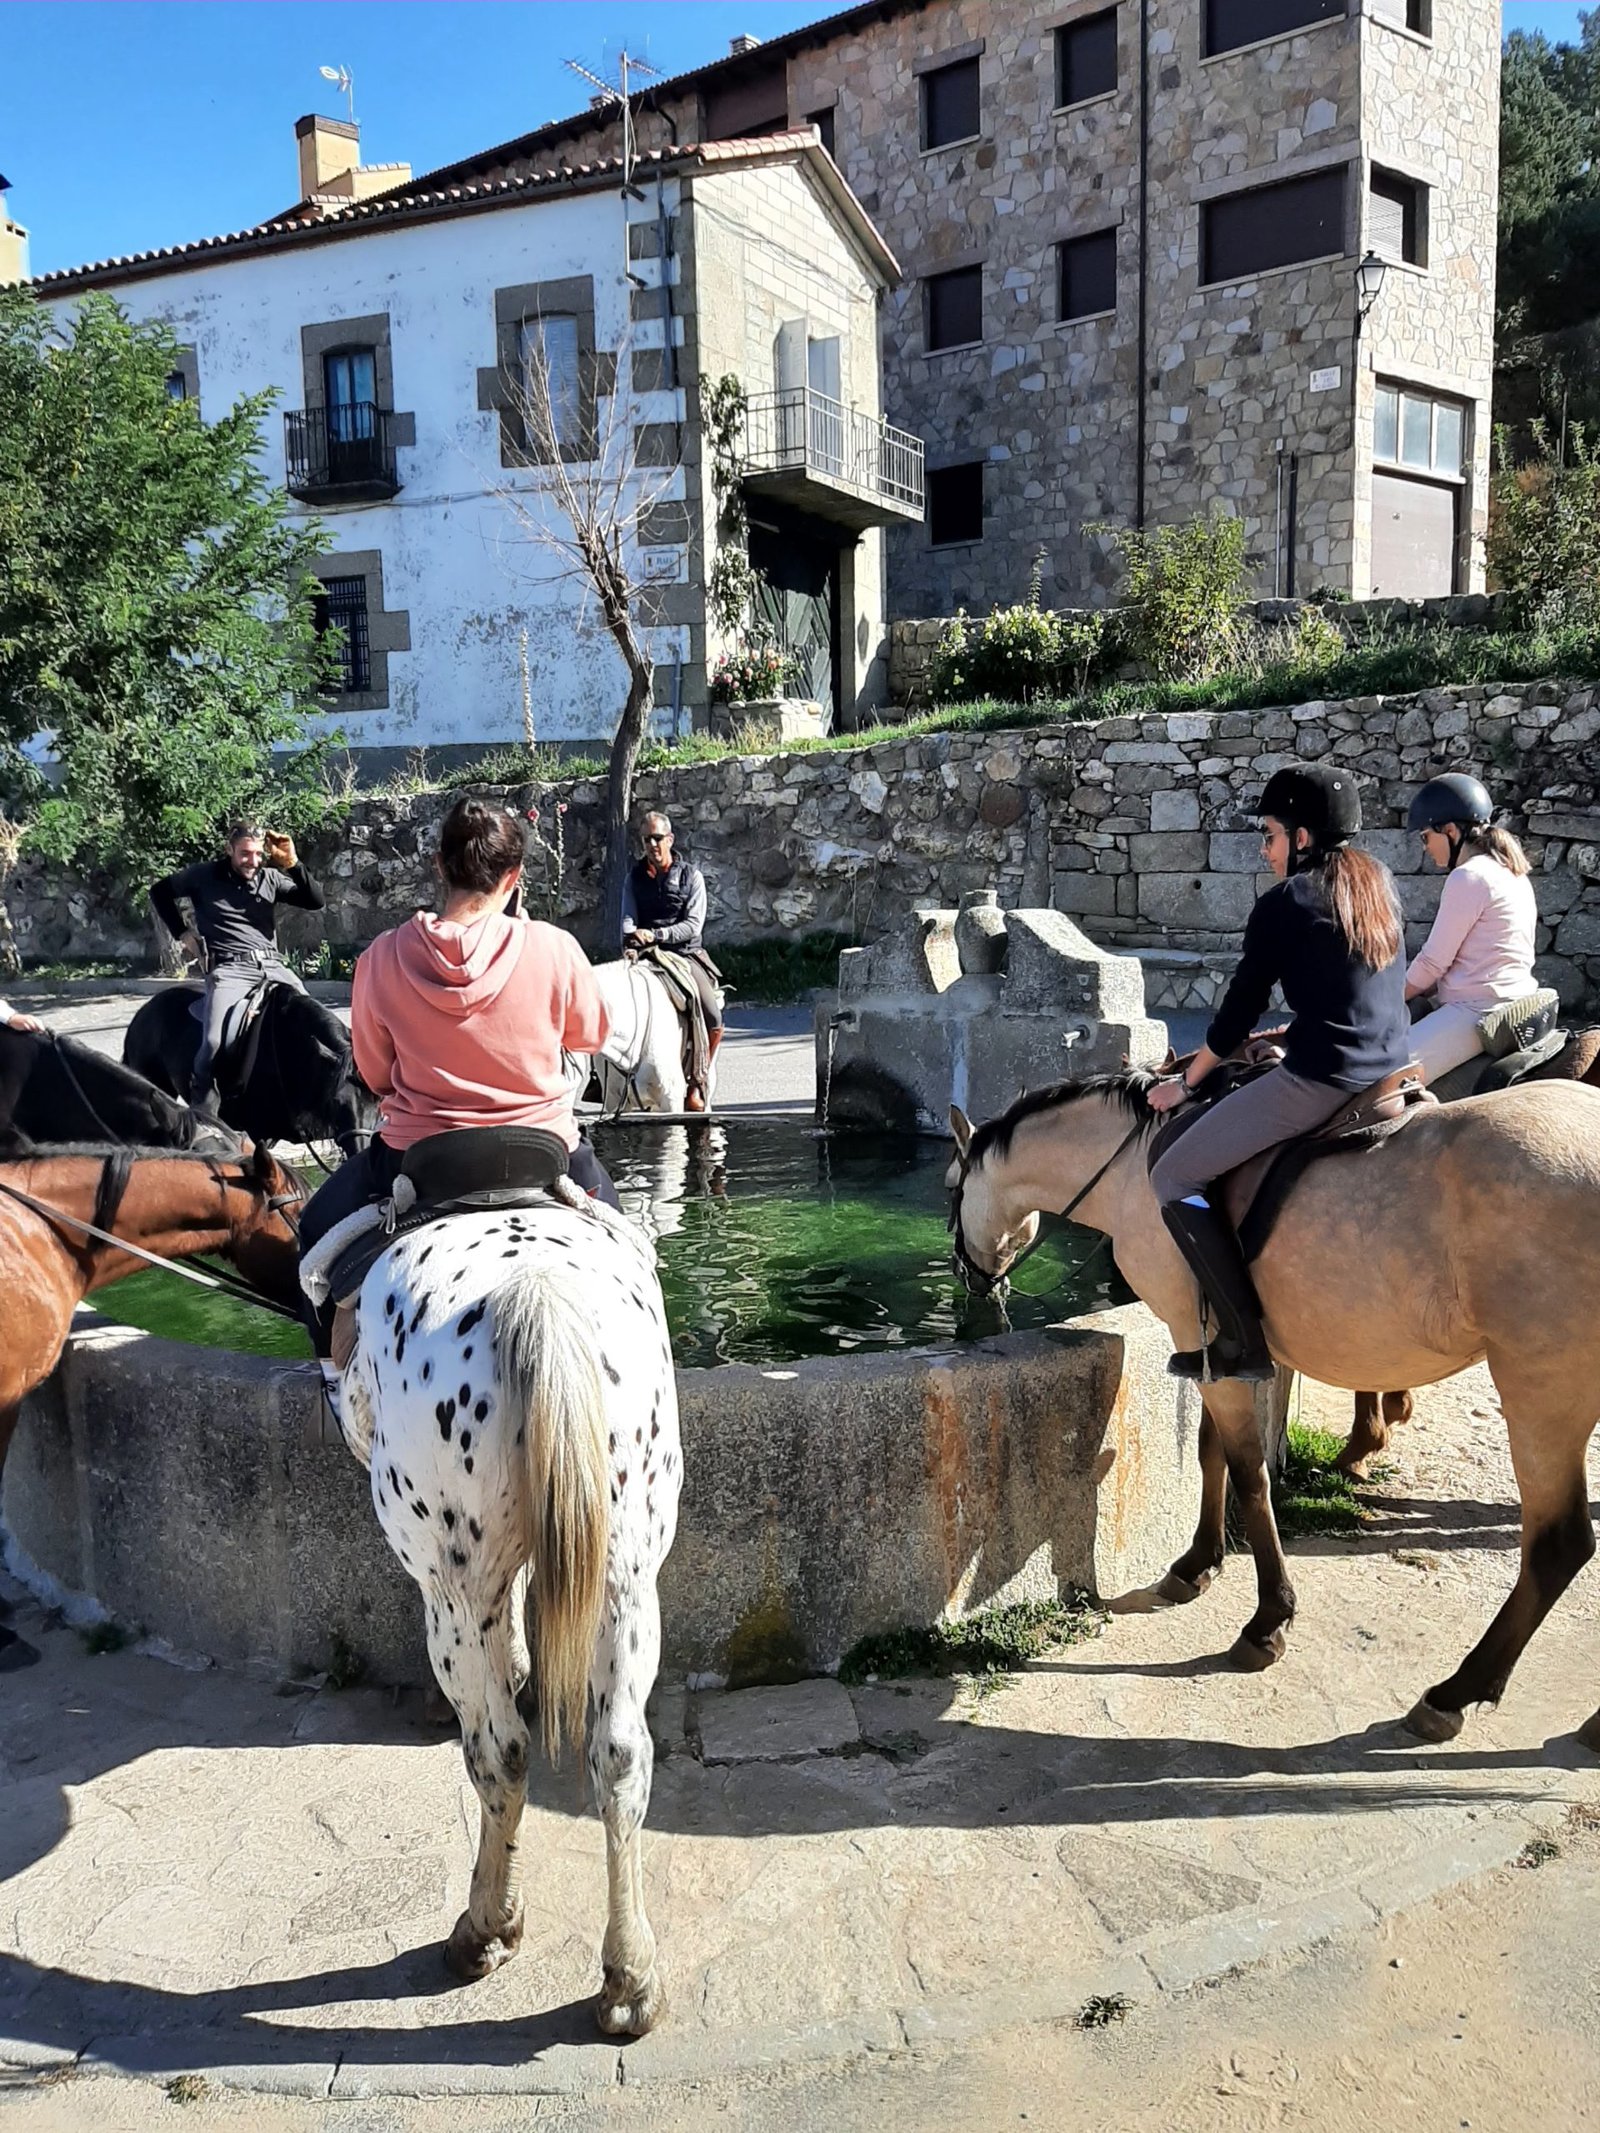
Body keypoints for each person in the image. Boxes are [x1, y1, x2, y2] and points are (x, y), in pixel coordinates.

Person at [296, 798, 619, 1365]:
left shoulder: (380, 958)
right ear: (513, 877)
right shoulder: (554, 947)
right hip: (545, 1152)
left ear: (439, 866)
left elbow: (375, 1075)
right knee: (628, 1250)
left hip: (418, 1160)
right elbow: (590, 1035)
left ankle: (329, 1375)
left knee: (313, 1235)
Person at [1146, 765, 1413, 1381]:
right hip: (1392, 1064)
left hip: (1325, 1079)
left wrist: (1185, 1083)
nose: (1265, 850)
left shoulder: (1287, 901)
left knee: (1174, 1174)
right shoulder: (1376, 882)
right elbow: (1355, 992)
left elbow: (1236, 1016)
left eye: (1269, 835)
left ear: (1302, 838)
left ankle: (1241, 1341)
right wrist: (1290, 1033)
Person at [149, 823, 325, 1115]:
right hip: (230, 969)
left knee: (313, 1023)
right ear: (229, 849)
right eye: (245, 853)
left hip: (273, 966)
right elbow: (159, 892)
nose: (252, 861)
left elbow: (315, 901)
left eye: (258, 854)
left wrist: (293, 864)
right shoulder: (203, 876)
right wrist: (182, 933)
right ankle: (203, 1109)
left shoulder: (269, 878)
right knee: (213, 1041)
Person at [1403, 774, 1538, 1085]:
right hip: (1512, 999)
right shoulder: (1511, 872)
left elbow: (1433, 962)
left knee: (1382, 1073)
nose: (1425, 848)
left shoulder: (1468, 877)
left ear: (1450, 831)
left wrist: (1388, 999)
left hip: (1477, 1009)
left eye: (1425, 837)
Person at [621, 810, 724, 1111]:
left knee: (712, 1016)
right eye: (646, 839)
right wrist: (629, 939)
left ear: (670, 839)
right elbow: (627, 917)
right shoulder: (633, 878)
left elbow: (693, 925)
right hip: (644, 952)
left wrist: (657, 935)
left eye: (657, 838)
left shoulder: (692, 877)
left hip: (684, 953)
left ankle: (697, 1081)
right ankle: (603, 1077)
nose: (652, 845)